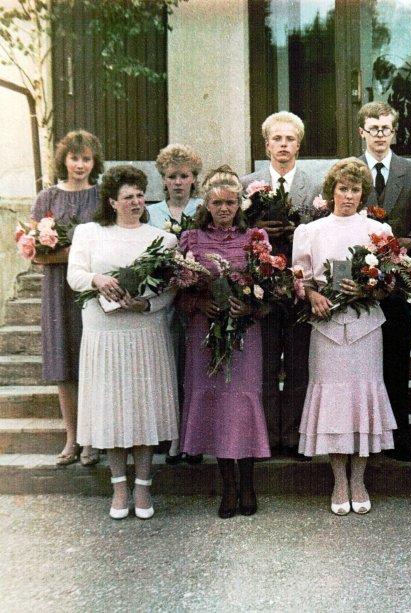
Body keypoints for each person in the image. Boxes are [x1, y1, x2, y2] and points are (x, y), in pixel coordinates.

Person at [67, 165, 180, 519]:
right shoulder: (89, 233)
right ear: (112, 202)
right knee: (112, 410)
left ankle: (143, 488)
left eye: (140, 195)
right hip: (104, 334)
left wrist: (145, 304)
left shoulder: (162, 239)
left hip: (145, 333)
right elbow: (74, 275)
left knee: (143, 409)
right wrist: (97, 279)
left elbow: (171, 289)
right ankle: (118, 488)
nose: (135, 202)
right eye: (127, 196)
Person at [293, 158, 398, 515]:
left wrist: (369, 289)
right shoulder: (311, 231)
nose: (349, 195)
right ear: (331, 191)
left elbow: (388, 284)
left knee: (361, 396)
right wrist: (313, 296)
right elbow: (300, 278)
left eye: (355, 190)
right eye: (343, 188)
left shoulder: (378, 230)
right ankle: (339, 480)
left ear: (363, 194)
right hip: (326, 327)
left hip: (365, 326)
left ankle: (359, 479)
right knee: (334, 401)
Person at [178, 166, 271, 519]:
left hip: (244, 332)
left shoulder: (255, 237)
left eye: (230, 202)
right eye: (217, 203)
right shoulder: (191, 238)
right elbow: (178, 291)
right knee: (217, 404)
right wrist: (199, 302)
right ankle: (228, 485)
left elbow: (269, 288)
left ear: (239, 204)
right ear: (206, 204)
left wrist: (250, 305)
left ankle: (248, 483)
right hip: (205, 332)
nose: (224, 209)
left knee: (242, 402)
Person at [241, 112, 321, 458]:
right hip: (263, 290)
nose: (283, 145)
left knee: (300, 364)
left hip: (300, 286)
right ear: (266, 145)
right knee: (266, 363)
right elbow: (238, 234)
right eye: (277, 139)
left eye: (290, 139)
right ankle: (268, 436)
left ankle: (293, 435)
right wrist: (259, 231)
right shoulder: (248, 184)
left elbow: (320, 231)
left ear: (298, 145)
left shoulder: (315, 187)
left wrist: (297, 231)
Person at [356, 101, 411, 462]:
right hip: (360, 282)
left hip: (398, 280)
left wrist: (409, 241)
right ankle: (365, 436)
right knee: (361, 362)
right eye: (373, 129)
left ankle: (399, 436)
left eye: (386, 128)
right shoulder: (351, 171)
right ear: (362, 132)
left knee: (397, 358)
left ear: (394, 132)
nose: (380, 135)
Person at [31, 130, 104, 467]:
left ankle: (92, 439)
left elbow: (105, 247)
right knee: (63, 363)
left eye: (86, 158)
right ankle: (71, 438)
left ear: (94, 162)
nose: (80, 164)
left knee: (92, 363)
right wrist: (73, 253)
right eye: (74, 158)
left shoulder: (102, 196)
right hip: (58, 290)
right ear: (64, 160)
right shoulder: (47, 197)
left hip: (90, 288)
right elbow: (36, 253)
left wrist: (69, 255)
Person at [146, 143, 204, 465]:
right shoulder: (152, 213)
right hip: (164, 297)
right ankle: (170, 436)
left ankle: (193, 438)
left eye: (184, 176)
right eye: (172, 177)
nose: (178, 182)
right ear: (164, 180)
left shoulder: (203, 209)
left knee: (193, 366)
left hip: (196, 297)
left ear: (194, 178)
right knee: (167, 365)